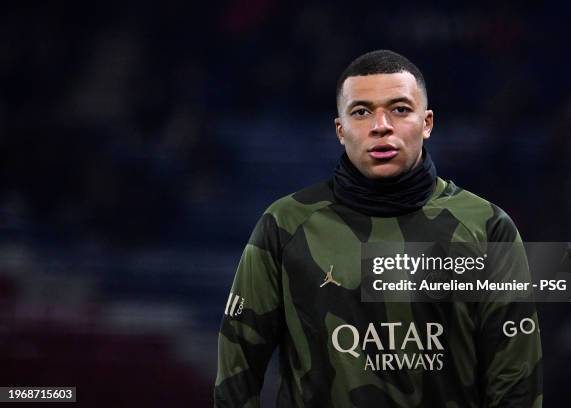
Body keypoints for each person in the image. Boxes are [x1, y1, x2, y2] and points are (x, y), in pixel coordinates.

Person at [214, 49, 542, 407]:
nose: (380, 125)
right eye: (361, 112)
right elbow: (238, 367)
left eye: (400, 109)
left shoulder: (488, 227)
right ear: (340, 130)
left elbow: (515, 382)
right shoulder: (284, 225)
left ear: (427, 122)